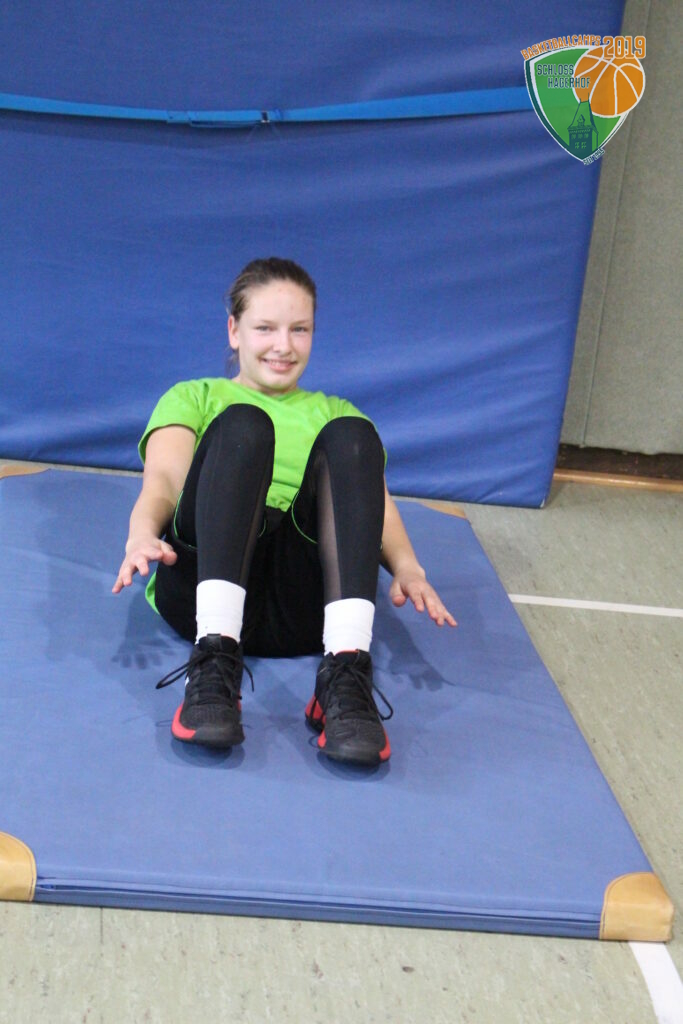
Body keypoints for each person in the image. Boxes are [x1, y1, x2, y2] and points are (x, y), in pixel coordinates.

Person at [113, 257, 456, 766]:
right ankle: (213, 665)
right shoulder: (195, 396)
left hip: (304, 602)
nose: (284, 345)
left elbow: (373, 506)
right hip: (205, 582)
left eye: (300, 329)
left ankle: (345, 673)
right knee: (244, 426)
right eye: (265, 328)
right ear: (234, 331)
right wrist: (141, 533)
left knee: (355, 436)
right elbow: (163, 481)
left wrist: (408, 567)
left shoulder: (335, 412)